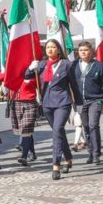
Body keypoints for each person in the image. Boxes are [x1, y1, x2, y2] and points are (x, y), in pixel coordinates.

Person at [26, 39, 78, 180]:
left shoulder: (66, 64)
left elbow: (73, 84)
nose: (50, 49)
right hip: (47, 103)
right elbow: (27, 77)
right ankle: (68, 158)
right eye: (48, 47)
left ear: (58, 49)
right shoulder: (42, 65)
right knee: (59, 131)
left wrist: (78, 105)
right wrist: (31, 68)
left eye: (53, 47)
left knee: (57, 131)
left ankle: (56, 164)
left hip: (63, 102)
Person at [69, 41, 103, 165]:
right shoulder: (74, 65)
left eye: (86, 50)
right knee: (86, 127)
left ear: (91, 51)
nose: (83, 52)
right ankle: (90, 152)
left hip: (95, 100)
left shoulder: (98, 65)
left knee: (93, 125)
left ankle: (96, 153)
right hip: (80, 102)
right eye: (81, 50)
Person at [9, 70, 40, 167]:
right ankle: (33, 153)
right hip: (16, 102)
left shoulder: (33, 73)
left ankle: (24, 156)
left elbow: (41, 85)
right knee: (26, 130)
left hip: (30, 103)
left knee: (26, 129)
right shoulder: (13, 73)